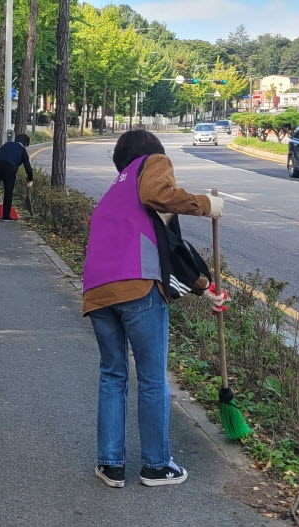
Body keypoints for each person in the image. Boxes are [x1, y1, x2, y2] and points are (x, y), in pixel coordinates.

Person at [82, 128, 225, 488]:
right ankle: (156, 465)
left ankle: (110, 464)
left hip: (98, 294)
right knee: (151, 378)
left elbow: (170, 248)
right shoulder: (153, 164)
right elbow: (159, 195)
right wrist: (206, 205)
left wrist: (205, 288)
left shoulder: (115, 193)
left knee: (113, 375)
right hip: (138, 289)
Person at [0, 133, 34, 221]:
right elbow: (28, 168)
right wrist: (30, 178)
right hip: (10, 167)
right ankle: (5, 216)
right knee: (8, 191)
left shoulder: (7, 144)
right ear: (26, 143)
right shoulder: (23, 150)